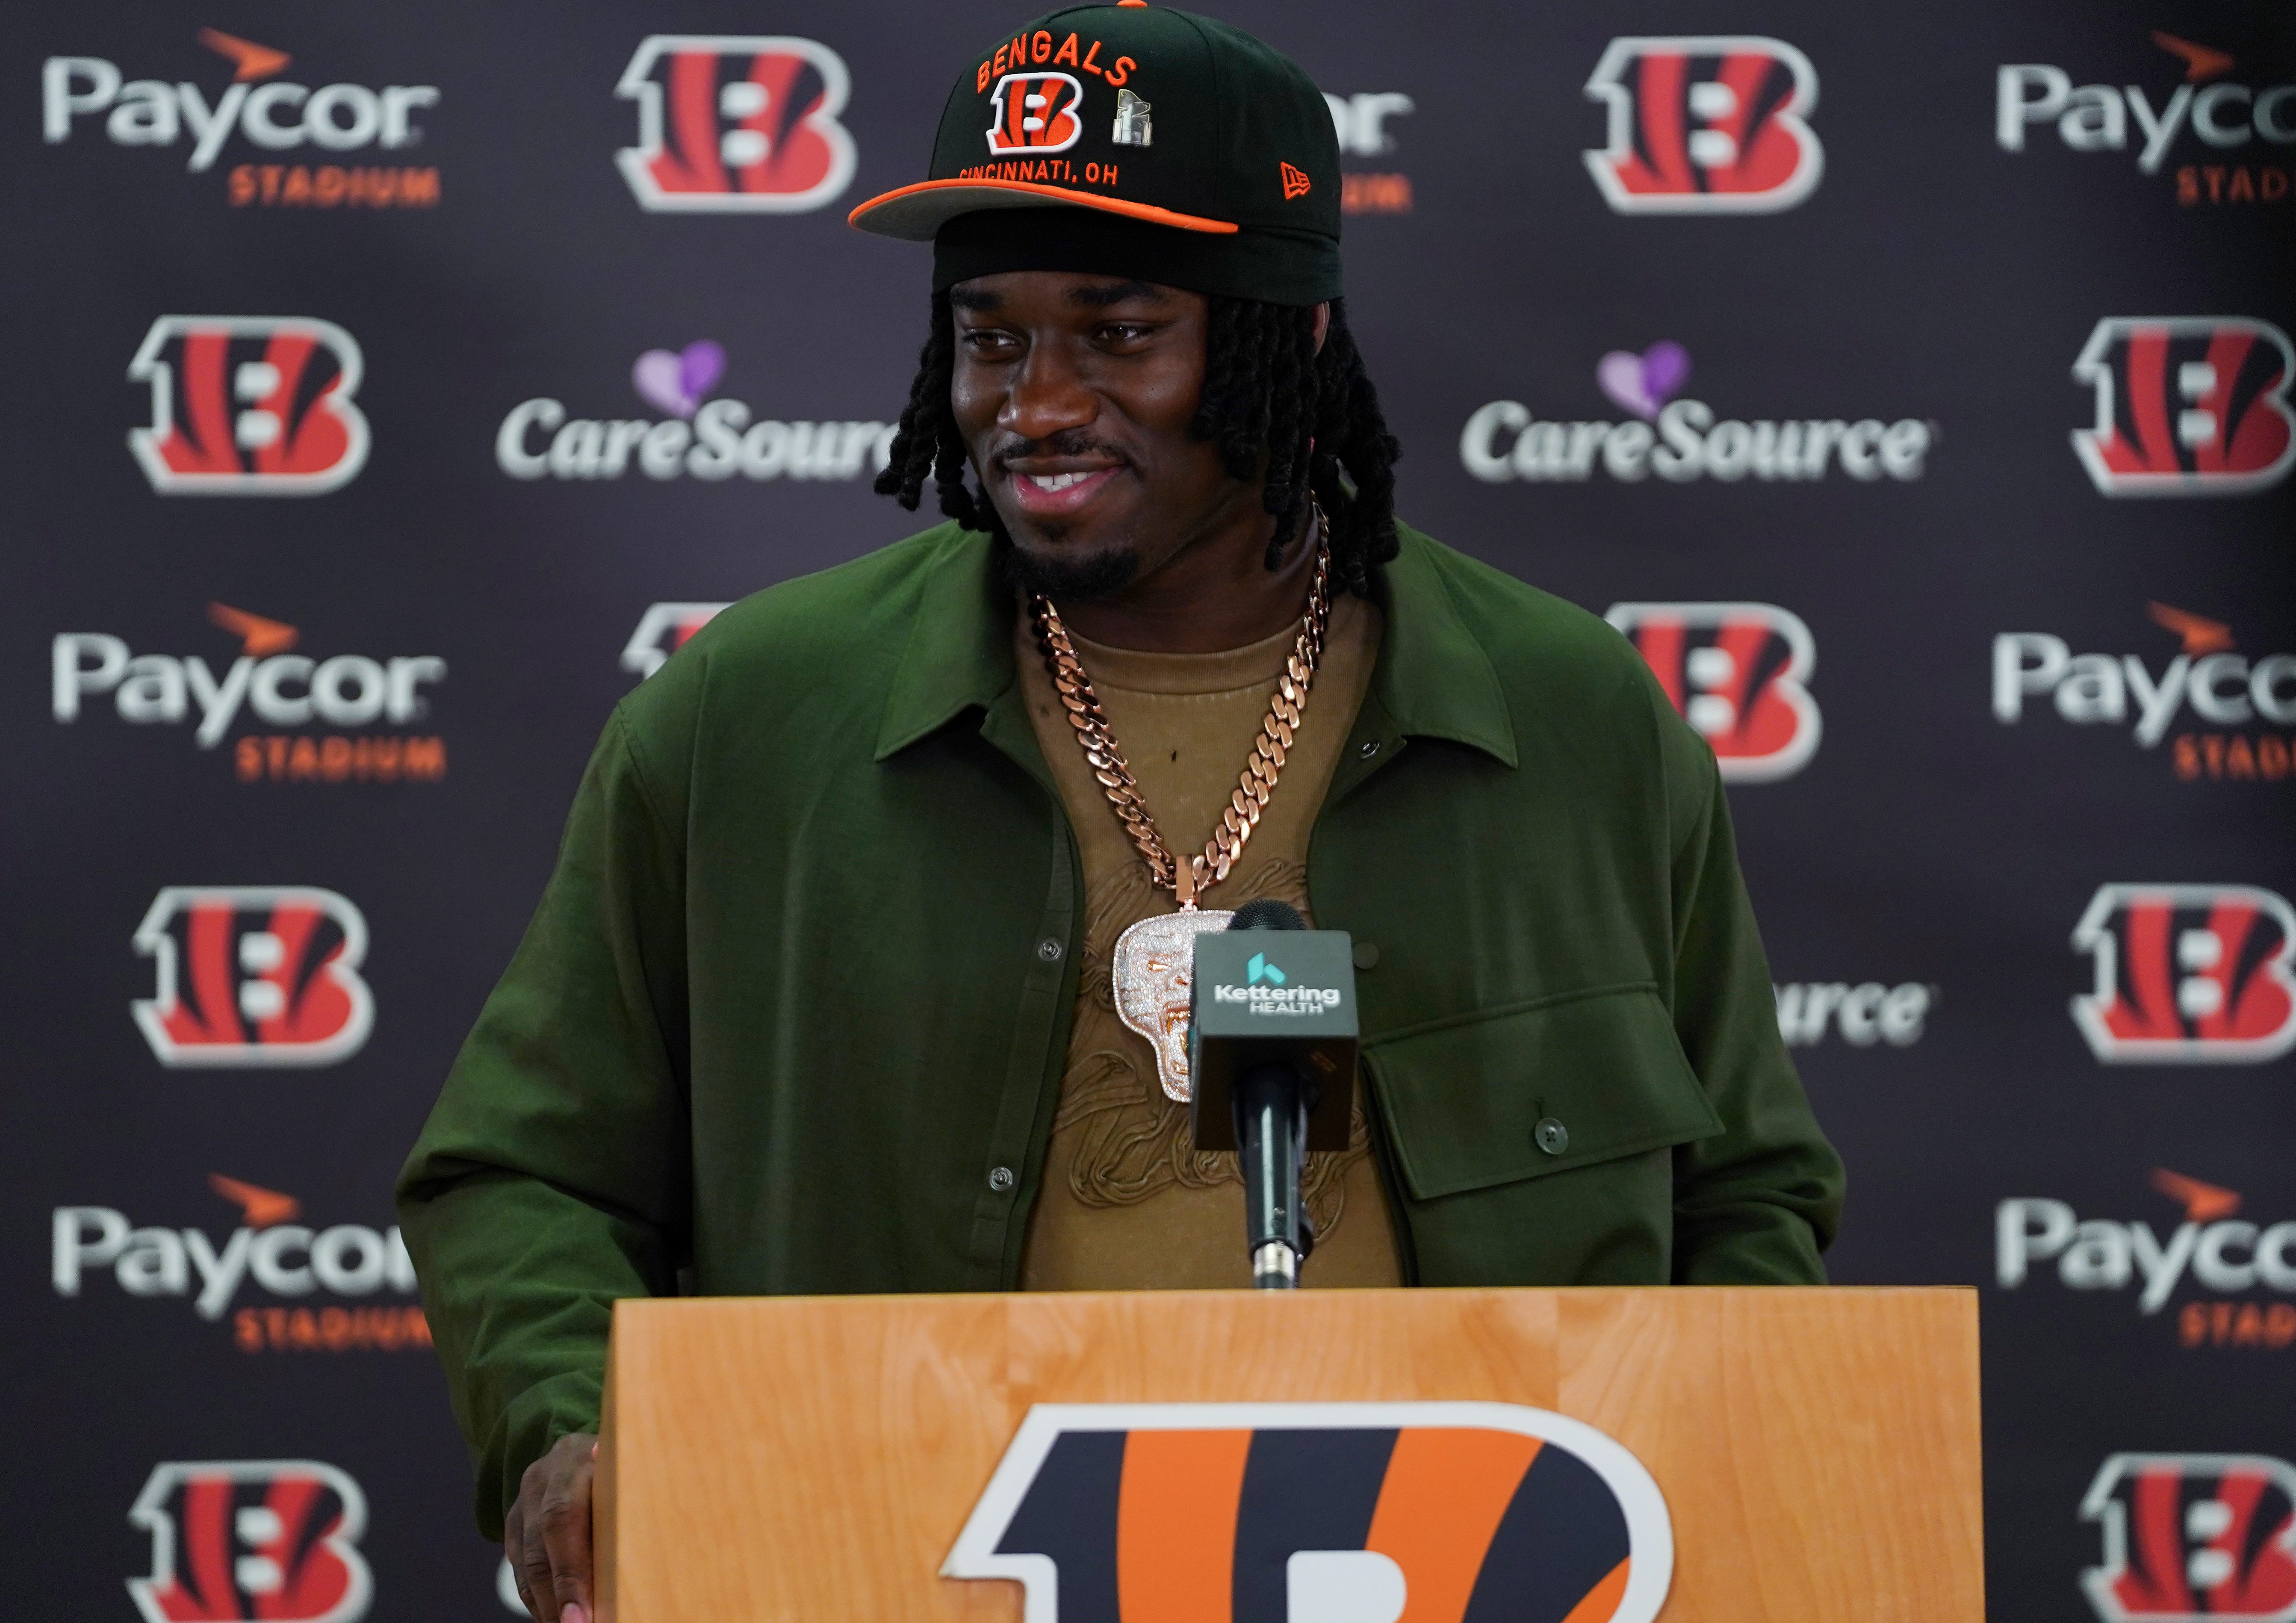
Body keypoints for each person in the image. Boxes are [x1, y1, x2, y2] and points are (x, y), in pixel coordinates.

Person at [397, 7, 1845, 1620]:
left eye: (1117, 329)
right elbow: (520, 1173)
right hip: (892, 1565)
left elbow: (1747, 1198)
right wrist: (578, 1421)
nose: (1037, 402)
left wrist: (1714, 1473)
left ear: (1282, 339)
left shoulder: (1569, 719)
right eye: (992, 335)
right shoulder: (751, 712)